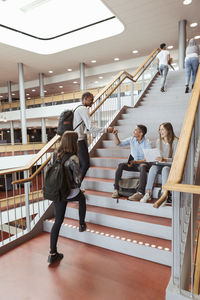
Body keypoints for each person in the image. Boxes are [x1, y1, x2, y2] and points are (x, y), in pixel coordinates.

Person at [48, 131, 87, 265]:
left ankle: (52, 253)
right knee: (82, 198)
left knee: (58, 221)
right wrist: (79, 187)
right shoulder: (74, 158)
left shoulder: (55, 154)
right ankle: (81, 223)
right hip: (69, 192)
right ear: (73, 142)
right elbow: (77, 179)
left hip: (57, 191)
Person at [73, 92, 113, 182]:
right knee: (85, 164)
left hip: (75, 140)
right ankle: (76, 186)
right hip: (80, 140)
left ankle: (75, 186)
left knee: (80, 165)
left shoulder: (77, 108)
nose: (92, 102)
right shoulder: (83, 109)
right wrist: (106, 130)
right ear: (85, 99)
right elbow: (90, 127)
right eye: (91, 100)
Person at [140, 122, 178, 203]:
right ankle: (148, 193)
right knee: (153, 168)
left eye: (162, 129)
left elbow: (176, 159)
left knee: (165, 169)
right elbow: (158, 156)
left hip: (171, 166)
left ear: (168, 130)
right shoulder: (158, 141)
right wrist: (152, 157)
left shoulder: (176, 141)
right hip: (160, 164)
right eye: (159, 130)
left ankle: (164, 194)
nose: (160, 131)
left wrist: (164, 159)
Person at [112, 125, 152, 201]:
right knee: (120, 165)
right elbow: (119, 143)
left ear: (141, 133)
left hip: (142, 163)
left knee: (143, 166)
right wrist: (116, 135)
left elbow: (148, 158)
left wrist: (136, 162)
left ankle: (140, 193)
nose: (133, 131)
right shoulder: (132, 139)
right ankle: (116, 190)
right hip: (133, 163)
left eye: (136, 130)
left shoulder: (147, 142)